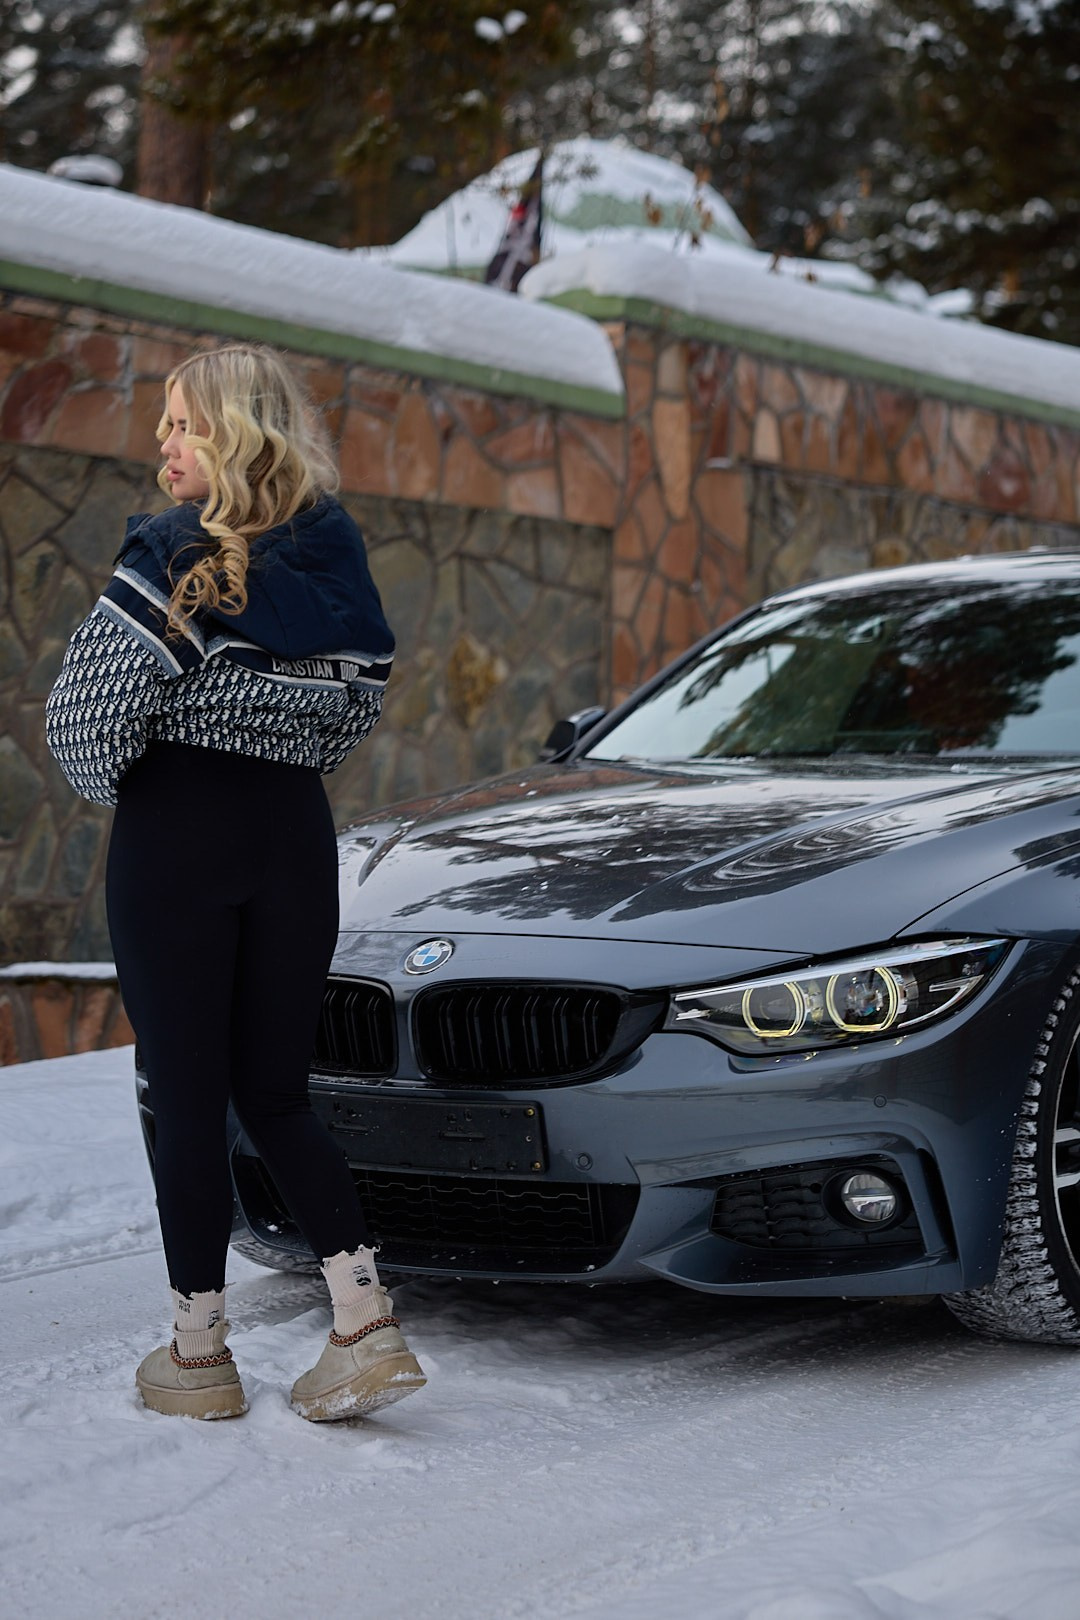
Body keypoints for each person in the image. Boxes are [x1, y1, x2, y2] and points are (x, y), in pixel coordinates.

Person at [45, 342, 425, 1423]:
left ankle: (200, 1356)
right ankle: (364, 1324)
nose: (161, 443)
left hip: (178, 839)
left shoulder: (169, 551)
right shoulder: (338, 552)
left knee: (186, 1099)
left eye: (179, 423)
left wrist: (169, 741)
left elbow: (80, 736)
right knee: (276, 1094)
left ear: (230, 431)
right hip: (294, 838)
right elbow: (356, 711)